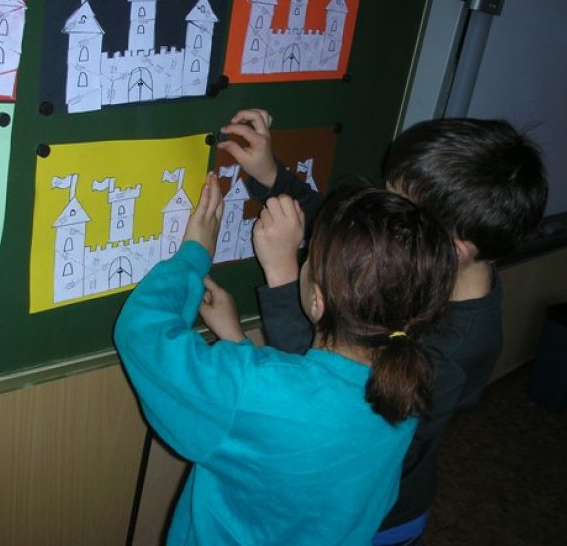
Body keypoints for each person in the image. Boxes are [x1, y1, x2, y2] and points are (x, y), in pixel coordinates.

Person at [218, 110, 548, 544]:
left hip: (369, 517)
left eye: (394, 206)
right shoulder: (424, 261)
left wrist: (282, 277)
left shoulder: (450, 354)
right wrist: (272, 176)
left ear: (452, 249)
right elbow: (349, 232)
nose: (373, 210)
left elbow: (329, 400)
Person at [114, 172, 458, 544]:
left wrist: (194, 254)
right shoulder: (405, 390)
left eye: (308, 255)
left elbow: (141, 330)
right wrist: (237, 342)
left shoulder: (250, 390)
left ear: (318, 300)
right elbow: (282, 420)